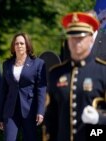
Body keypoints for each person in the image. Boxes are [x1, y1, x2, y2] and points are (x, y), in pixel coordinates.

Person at [45, 12, 106, 141]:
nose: (76, 42)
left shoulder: (102, 71)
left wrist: (99, 119)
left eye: (81, 37)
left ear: (91, 38)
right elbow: (51, 119)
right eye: (72, 37)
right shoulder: (56, 74)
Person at [0, 32, 47, 141]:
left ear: (27, 45)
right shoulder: (7, 64)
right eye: (16, 44)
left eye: (22, 43)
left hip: (29, 109)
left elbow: (41, 89)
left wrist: (40, 111)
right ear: (13, 46)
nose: (19, 46)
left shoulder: (38, 64)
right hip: (10, 110)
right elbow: (3, 91)